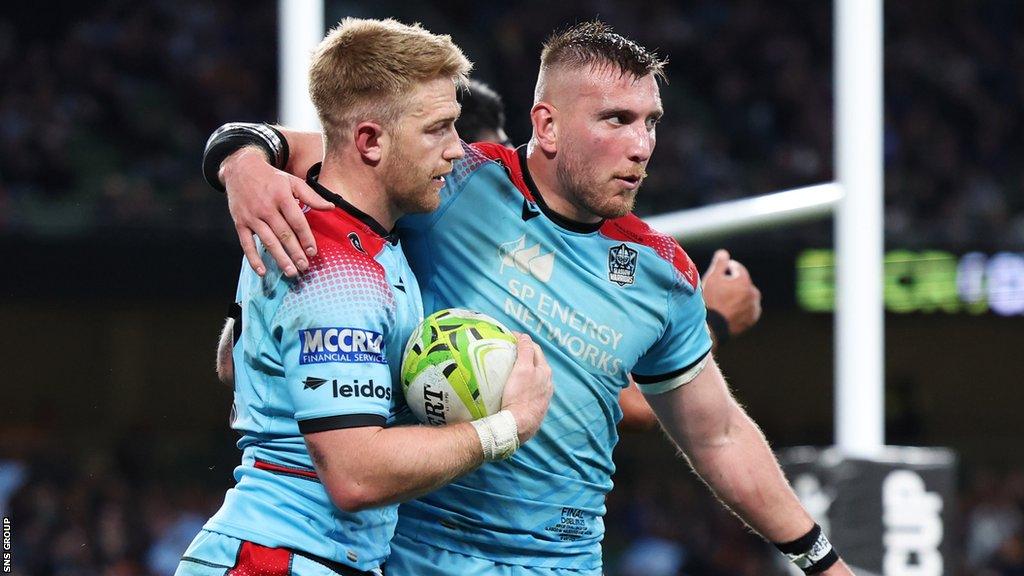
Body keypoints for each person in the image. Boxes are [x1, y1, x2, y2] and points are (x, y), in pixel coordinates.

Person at [204, 20, 850, 576]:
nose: (641, 144)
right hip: (407, 554)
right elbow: (340, 147)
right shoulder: (447, 185)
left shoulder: (662, 272)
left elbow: (717, 434)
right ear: (546, 123)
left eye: (651, 121)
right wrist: (242, 164)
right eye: (616, 120)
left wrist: (822, 560)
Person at [179, 18, 553, 575]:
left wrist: (241, 156)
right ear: (370, 142)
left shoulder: (343, 225)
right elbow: (355, 477)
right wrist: (509, 427)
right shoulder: (333, 268)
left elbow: (235, 365)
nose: (456, 152)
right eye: (439, 129)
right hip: (280, 558)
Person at [451, 79, 762, 432]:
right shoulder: (453, 237)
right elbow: (635, 405)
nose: (508, 170)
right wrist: (716, 321)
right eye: (496, 155)